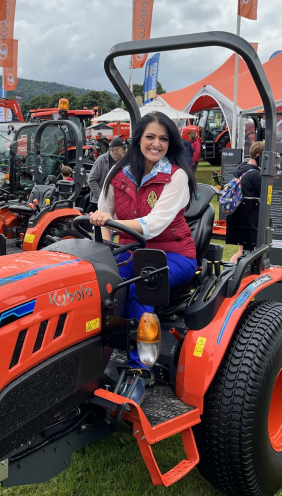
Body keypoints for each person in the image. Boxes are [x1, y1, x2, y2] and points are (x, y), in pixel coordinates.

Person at [91, 112, 199, 384]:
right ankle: (91, 355)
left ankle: (139, 367)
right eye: (150, 136)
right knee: (99, 285)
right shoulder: (116, 175)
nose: (156, 144)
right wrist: (106, 250)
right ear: (138, 139)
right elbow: (104, 215)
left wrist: (112, 222)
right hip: (130, 251)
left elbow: (155, 224)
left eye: (163, 139)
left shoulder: (176, 178)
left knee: (143, 284)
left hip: (173, 253)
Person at [228, 140, 265, 263]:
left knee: (241, 252)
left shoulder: (242, 170)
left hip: (240, 216)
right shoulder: (256, 175)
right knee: (254, 252)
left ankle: (228, 272)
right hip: (251, 219)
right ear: (260, 155)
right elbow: (265, 195)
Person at [87, 138, 127, 209]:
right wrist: (102, 197)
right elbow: (91, 180)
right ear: (116, 150)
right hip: (100, 203)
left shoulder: (123, 162)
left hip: (116, 202)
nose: (125, 151)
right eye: (123, 149)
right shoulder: (101, 160)